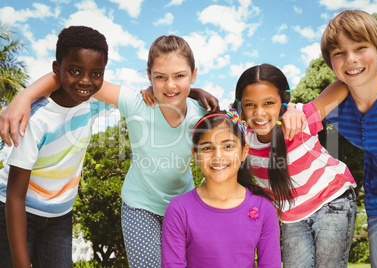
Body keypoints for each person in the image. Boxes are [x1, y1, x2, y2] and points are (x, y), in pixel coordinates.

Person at [0, 34, 224, 267]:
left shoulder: (203, 113)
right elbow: (73, 76)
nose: (170, 85)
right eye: (160, 77)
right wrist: (23, 97)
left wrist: (195, 91)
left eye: (180, 76)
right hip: (140, 206)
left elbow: (228, 145)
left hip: (183, 204)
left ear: (193, 74)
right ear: (149, 76)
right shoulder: (136, 103)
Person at [0, 25, 113, 267]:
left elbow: (145, 97)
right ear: (56, 69)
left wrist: (194, 92)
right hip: (15, 212)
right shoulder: (37, 118)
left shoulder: (93, 102)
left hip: (59, 217)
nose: (85, 81)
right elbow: (15, 196)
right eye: (74, 71)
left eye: (96, 73)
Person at [233, 63, 357, 268]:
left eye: (269, 103)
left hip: (332, 200)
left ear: (282, 101)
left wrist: (292, 107)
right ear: (241, 106)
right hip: (292, 215)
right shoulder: (243, 138)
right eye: (249, 105)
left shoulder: (300, 118)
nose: (259, 112)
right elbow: (211, 120)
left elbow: (342, 85)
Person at [320, 10, 377, 267]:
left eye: (360, 47)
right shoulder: (336, 110)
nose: (351, 59)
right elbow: (300, 117)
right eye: (339, 53)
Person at [162, 109, 281, 268]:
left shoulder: (264, 208)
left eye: (228, 146)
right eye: (207, 148)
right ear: (196, 155)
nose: (218, 156)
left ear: (244, 152)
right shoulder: (179, 209)